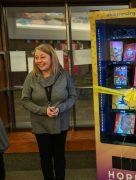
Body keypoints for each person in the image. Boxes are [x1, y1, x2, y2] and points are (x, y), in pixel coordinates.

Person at [21, 44, 77, 180]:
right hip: (40, 124)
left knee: (59, 155)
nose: (38, 60)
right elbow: (25, 100)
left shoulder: (64, 75)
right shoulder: (31, 77)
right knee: (45, 156)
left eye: (42, 57)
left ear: (52, 58)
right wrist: (43, 110)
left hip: (60, 122)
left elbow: (73, 96)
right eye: (36, 57)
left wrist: (61, 108)